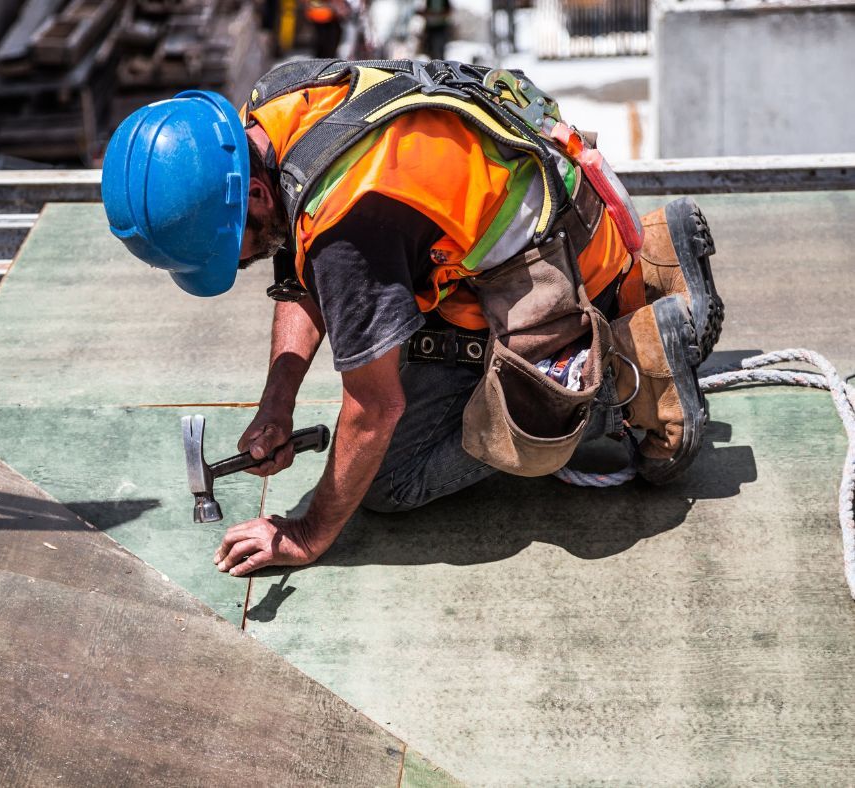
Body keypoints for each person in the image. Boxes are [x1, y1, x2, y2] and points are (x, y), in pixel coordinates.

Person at [101, 59, 723, 577]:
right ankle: (657, 260)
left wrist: (308, 533)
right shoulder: (277, 105)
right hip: (568, 215)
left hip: (557, 279)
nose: (234, 268)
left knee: (390, 480)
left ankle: (631, 370)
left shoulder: (350, 226)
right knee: (385, 341)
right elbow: (298, 264)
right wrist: (277, 402)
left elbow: (375, 409)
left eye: (226, 251)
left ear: (255, 195)